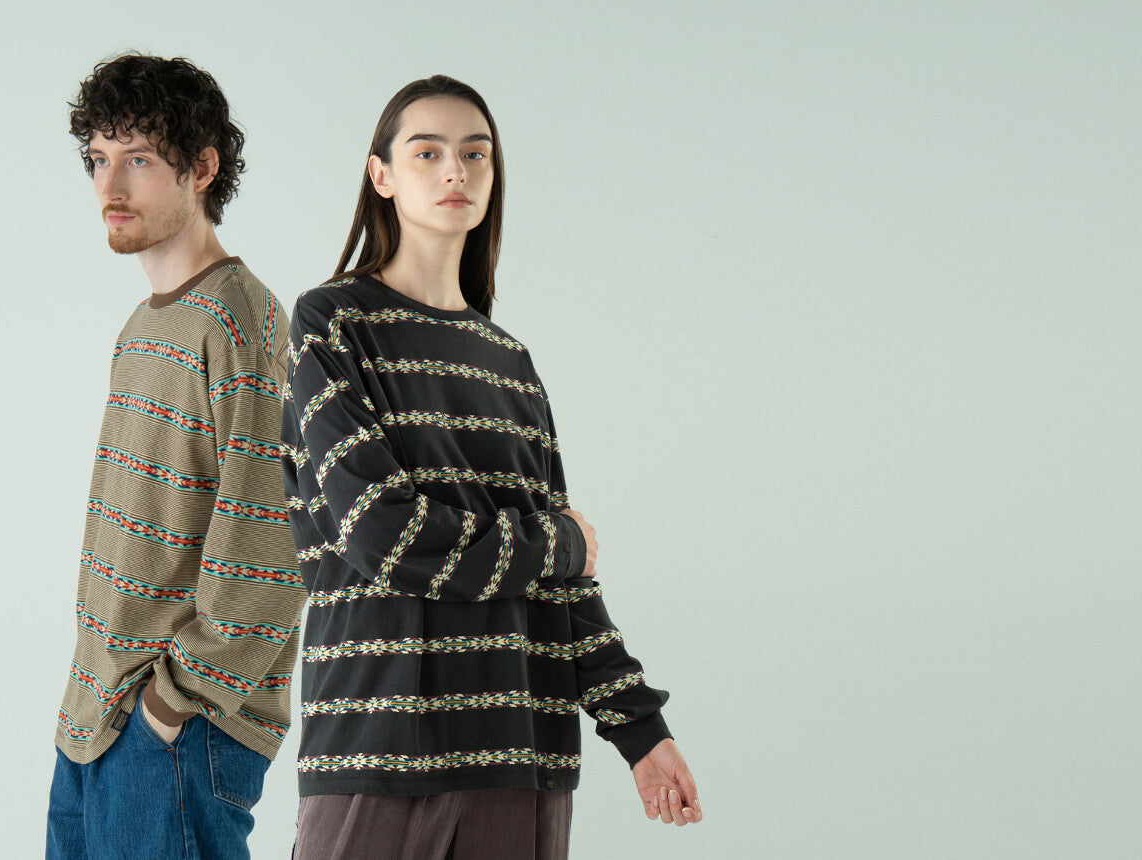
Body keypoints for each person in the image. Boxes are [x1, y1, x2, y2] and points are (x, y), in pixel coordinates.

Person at [281, 75, 702, 859]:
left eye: (475, 154)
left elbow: (565, 589)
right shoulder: (332, 324)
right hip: (379, 746)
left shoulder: (511, 364)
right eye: (428, 152)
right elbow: (384, 538)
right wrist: (556, 542)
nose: (456, 170)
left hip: (522, 752)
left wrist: (641, 730)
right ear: (381, 175)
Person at [46, 53, 304, 860]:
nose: (110, 186)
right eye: (99, 159)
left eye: (139, 160)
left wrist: (170, 705)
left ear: (202, 168)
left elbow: (276, 545)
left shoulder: (240, 323)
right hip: (94, 719)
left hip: (175, 733)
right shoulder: (143, 326)